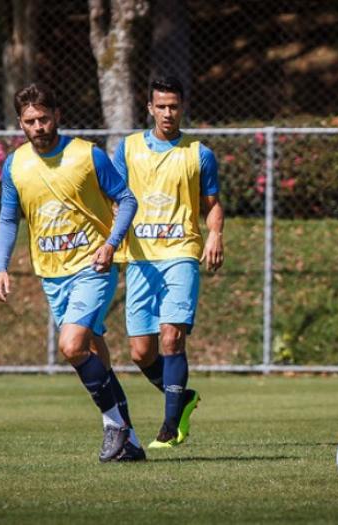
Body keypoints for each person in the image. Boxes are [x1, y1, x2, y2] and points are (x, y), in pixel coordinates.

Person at [0, 83, 144, 462]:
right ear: (20, 123)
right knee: (93, 353)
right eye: (30, 121)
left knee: (71, 345)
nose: (38, 127)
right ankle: (131, 442)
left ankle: (114, 424)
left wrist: (111, 243)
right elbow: (9, 219)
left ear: (57, 115)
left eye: (44, 118)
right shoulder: (15, 165)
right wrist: (0, 267)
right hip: (52, 274)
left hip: (93, 267)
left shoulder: (87, 155)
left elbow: (127, 199)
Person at [112, 76, 225, 449]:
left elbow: (212, 204)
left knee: (172, 337)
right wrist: (111, 241)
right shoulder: (128, 149)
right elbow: (115, 199)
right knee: (141, 352)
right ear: (149, 108)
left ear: (182, 108)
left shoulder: (199, 154)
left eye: (173, 106)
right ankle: (183, 397)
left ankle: (170, 424)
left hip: (181, 253)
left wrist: (215, 234)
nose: (167, 113)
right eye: (160, 106)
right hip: (140, 258)